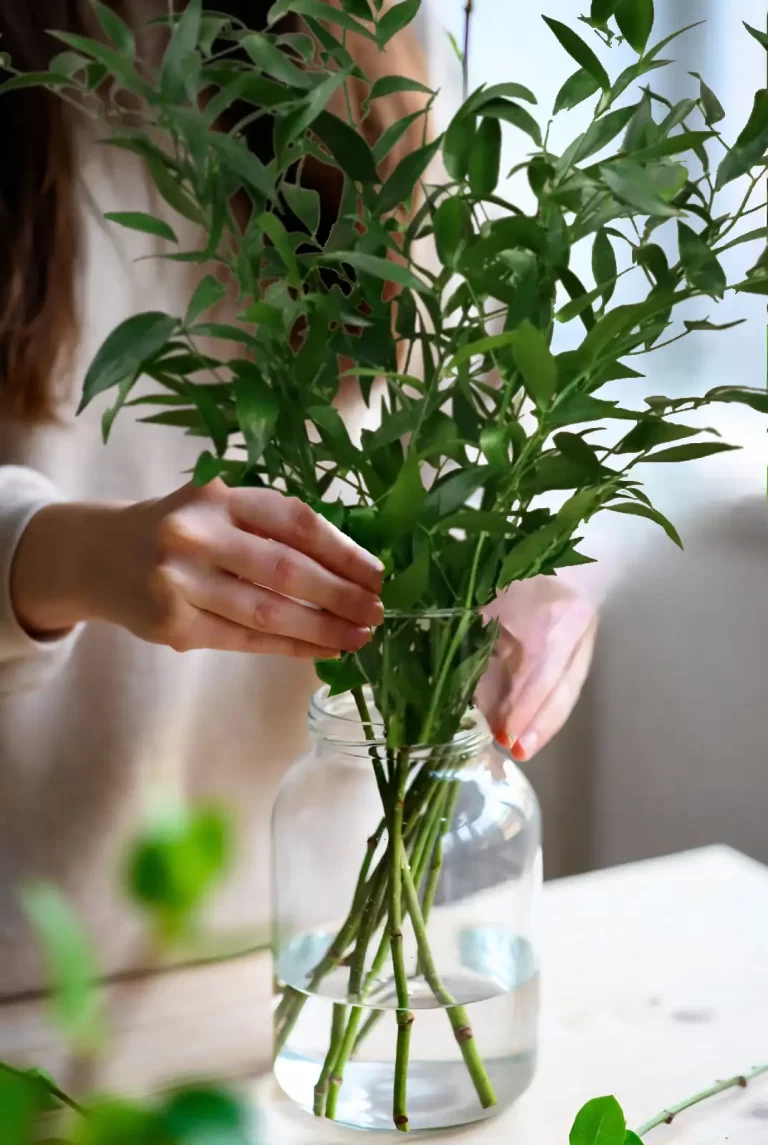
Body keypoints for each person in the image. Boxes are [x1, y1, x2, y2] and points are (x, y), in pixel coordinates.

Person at [0, 1, 595, 994]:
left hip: (323, 946)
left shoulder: (362, 34)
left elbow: (478, 381)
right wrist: (67, 553)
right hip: (36, 978)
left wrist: (529, 553)